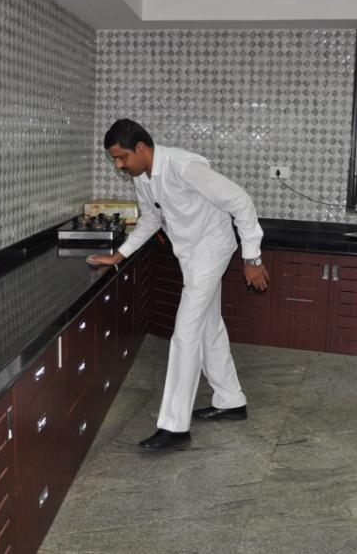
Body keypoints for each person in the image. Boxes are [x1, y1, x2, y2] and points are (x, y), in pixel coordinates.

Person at [88, 119, 270, 450]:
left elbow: (240, 201)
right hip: (190, 254)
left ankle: (174, 427)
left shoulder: (184, 167)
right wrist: (119, 254)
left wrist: (252, 258)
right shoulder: (143, 177)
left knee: (185, 333)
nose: (119, 166)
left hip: (211, 249)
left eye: (121, 157)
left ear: (141, 148)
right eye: (114, 159)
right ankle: (231, 400)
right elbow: (151, 219)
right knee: (208, 327)